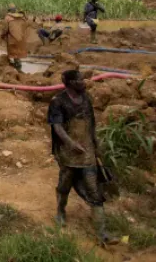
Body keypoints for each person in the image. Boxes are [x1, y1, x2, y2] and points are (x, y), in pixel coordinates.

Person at [48, 70, 117, 245]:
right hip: (68, 154)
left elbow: (91, 124)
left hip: (87, 154)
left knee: (94, 191)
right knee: (65, 185)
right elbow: (57, 127)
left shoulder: (86, 99)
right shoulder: (58, 101)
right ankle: (60, 212)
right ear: (70, 83)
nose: (83, 82)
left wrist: (96, 146)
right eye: (79, 80)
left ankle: (102, 234)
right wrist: (71, 144)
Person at [1, 5, 28, 71]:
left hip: (12, 38)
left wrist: (2, 35)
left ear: (9, 10)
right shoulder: (22, 18)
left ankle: (15, 68)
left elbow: (5, 29)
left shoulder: (7, 17)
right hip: (21, 38)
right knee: (17, 54)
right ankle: (18, 67)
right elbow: (25, 27)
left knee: (13, 54)